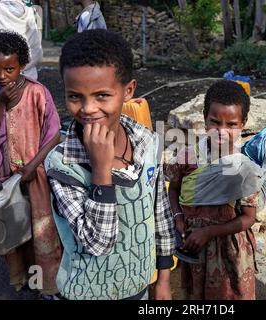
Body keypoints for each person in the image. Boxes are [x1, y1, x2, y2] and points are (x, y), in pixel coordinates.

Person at [44, 29, 175, 300]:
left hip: (138, 285)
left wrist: (163, 278)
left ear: (128, 91)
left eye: (102, 95)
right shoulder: (62, 164)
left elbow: (159, 212)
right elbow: (97, 243)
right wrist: (101, 171)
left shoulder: (147, 142)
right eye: (75, 96)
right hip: (87, 291)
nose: (88, 108)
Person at [0, 30, 62, 299]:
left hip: (34, 176)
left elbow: (54, 132)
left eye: (9, 69)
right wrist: (0, 103)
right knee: (11, 228)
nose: (2, 76)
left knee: (39, 228)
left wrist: (33, 165)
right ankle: (21, 278)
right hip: (2, 177)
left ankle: (44, 284)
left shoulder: (38, 93)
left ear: (22, 66)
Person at [166, 80, 266, 300]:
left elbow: (248, 218)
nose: (222, 131)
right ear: (204, 119)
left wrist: (210, 232)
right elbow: (173, 188)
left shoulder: (245, 166)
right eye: (215, 122)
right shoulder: (188, 156)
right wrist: (178, 217)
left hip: (229, 250)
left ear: (243, 123)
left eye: (231, 124)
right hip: (193, 245)